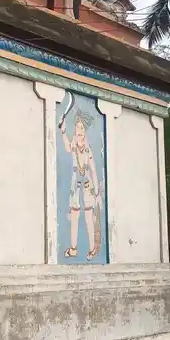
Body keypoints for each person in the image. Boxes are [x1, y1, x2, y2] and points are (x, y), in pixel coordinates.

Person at [60, 110, 102, 261]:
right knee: (74, 216)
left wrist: (97, 191)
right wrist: (63, 131)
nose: (79, 131)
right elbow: (66, 146)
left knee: (88, 218)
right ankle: (73, 249)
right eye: (77, 128)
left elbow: (93, 169)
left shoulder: (88, 149)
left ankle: (91, 249)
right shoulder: (73, 145)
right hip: (75, 188)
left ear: (85, 131)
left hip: (87, 187)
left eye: (82, 128)